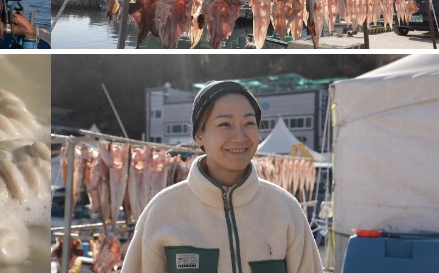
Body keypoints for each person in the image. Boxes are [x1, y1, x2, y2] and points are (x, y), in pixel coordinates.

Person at [122, 80, 323, 273]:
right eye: (225, 124)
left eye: (249, 123)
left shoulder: (285, 209)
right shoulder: (162, 211)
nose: (240, 136)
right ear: (199, 135)